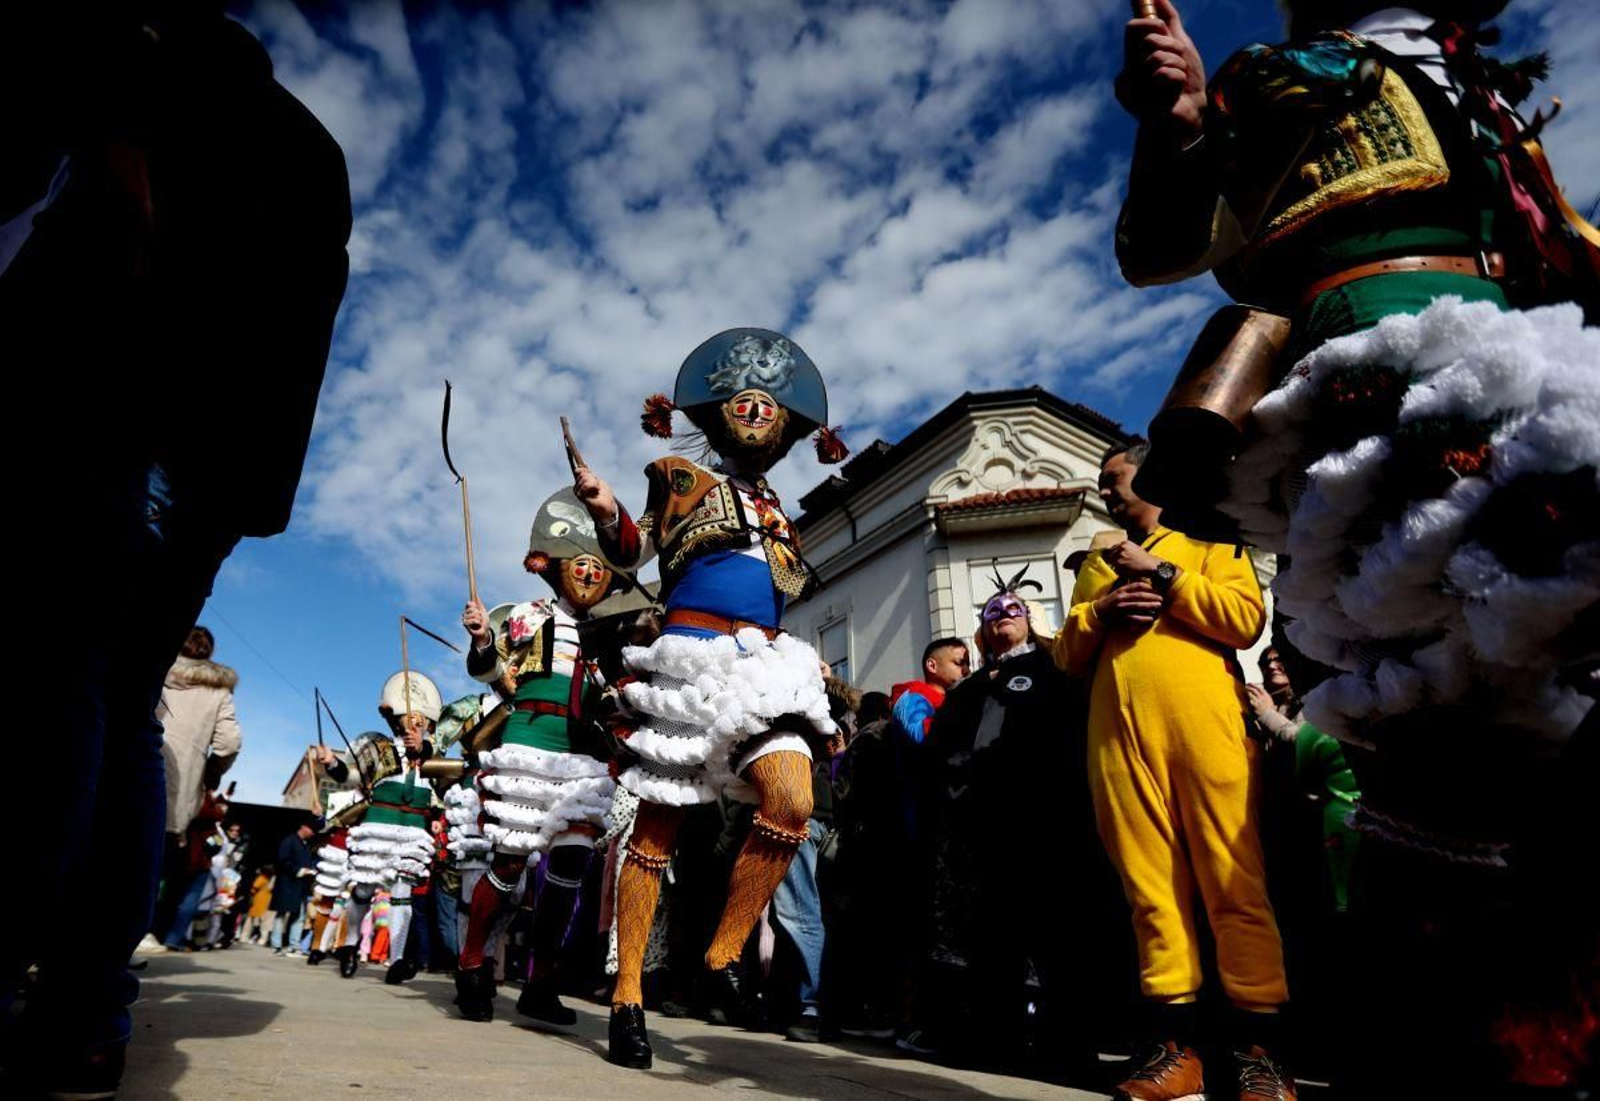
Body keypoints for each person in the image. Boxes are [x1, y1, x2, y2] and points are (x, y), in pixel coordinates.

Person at [1116, 2, 1597, 1091]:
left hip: (1534, 373)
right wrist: (1178, 121)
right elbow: (1156, 249)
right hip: (1378, 378)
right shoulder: (1277, 74)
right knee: (1434, 722)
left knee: (1534, 720)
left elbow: (1560, 248)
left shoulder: (1473, 91)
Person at [8, 5, 350, 1091]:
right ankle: (86, 1014)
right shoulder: (313, 149)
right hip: (218, 469)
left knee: (57, 682)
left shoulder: (140, 76)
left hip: (107, 410)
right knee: (113, 704)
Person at [578, 328, 848, 1069]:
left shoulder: (783, 516)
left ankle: (723, 950)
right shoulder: (676, 475)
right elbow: (632, 549)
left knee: (792, 800)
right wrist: (604, 508)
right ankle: (628, 991)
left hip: (764, 665)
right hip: (690, 656)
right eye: (745, 407)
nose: (759, 419)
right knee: (657, 831)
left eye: (772, 412)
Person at [1049, 440, 1291, 1101]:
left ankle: (1258, 1055)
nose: (1105, 492)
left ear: (1153, 475)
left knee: (1233, 884)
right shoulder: (1097, 559)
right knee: (1151, 896)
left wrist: (1160, 573)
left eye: (1114, 479)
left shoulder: (1215, 537)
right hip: (1118, 741)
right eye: (1101, 483)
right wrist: (1100, 610)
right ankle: (1174, 1053)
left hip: (1206, 730)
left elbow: (1245, 620)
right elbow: (1068, 653)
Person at [451, 489, 627, 1024]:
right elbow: (492, 676)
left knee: (571, 865)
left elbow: (614, 697)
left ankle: (540, 981)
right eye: (583, 564)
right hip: (530, 743)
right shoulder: (528, 615)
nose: (592, 575)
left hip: (581, 756)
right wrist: (483, 640)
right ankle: (472, 964)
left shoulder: (610, 632)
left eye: (600, 567)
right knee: (508, 864)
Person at [910, 568, 1080, 1062]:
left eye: (1014, 610)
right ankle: (993, 1037)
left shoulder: (1052, 673)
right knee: (990, 933)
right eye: (993, 613)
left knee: (1047, 930)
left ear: (1030, 622)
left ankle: (1061, 1042)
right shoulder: (966, 689)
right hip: (974, 828)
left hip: (1034, 819)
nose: (1004, 617)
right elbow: (940, 750)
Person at [321, 672, 443, 982]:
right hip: (379, 824)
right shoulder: (378, 744)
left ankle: (398, 960)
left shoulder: (434, 752)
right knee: (364, 889)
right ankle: (348, 947)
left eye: (420, 720)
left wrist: (440, 816)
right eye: (408, 719)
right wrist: (332, 764)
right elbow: (350, 775)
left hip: (413, 828)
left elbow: (442, 791)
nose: (415, 725)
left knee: (403, 893)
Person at [149, 626, 242, 946]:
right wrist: (211, 772)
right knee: (148, 866)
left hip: (126, 765)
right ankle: (130, 939)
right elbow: (229, 742)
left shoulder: (154, 666)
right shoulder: (217, 691)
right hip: (177, 790)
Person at [269, 820, 318, 955]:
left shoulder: (305, 845)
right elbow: (282, 860)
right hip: (286, 883)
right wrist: (300, 870)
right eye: (311, 830)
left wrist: (309, 871)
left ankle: (294, 945)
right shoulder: (289, 841)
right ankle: (276, 945)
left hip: (300, 885)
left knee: (300, 916)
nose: (313, 833)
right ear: (303, 827)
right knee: (281, 914)